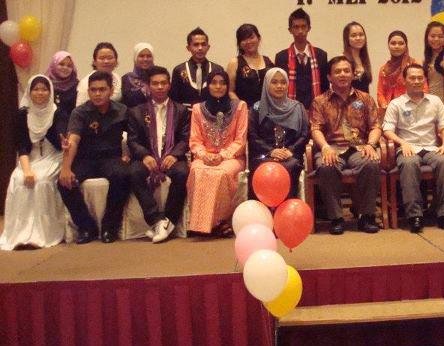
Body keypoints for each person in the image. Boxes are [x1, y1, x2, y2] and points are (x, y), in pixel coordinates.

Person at [310, 56, 382, 235]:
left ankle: (367, 216)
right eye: (337, 71)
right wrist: (325, 147)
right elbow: (316, 128)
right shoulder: (320, 101)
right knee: (326, 166)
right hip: (332, 147)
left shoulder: (365, 99)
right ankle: (336, 218)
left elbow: (375, 126)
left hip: (359, 147)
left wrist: (371, 144)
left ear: (353, 74)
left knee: (371, 163)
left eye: (346, 71)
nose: (342, 74)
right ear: (329, 76)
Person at [383, 63, 444, 233]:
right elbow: (387, 129)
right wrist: (402, 143)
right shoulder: (396, 104)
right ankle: (414, 216)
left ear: (424, 80)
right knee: (409, 164)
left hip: (432, 147)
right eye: (412, 78)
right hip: (408, 147)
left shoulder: (435, 101)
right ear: (404, 80)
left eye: (419, 78)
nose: (416, 81)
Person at [58, 71, 131, 243]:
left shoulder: (122, 110)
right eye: (93, 90)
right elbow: (73, 141)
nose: (97, 94)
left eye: (102, 89)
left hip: (111, 158)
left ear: (111, 91)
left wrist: (128, 154)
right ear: (88, 91)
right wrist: (66, 168)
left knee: (123, 176)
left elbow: (134, 136)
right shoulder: (79, 112)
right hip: (85, 158)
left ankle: (109, 228)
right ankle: (86, 228)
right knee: (64, 183)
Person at [0, 76, 66, 250]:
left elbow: (61, 139)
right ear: (29, 92)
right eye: (36, 89)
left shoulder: (58, 113)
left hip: (53, 157)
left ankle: (42, 234)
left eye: (44, 89)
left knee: (42, 181)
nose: (40, 93)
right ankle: (19, 234)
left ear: (50, 92)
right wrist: (27, 170)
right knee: (19, 180)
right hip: (30, 158)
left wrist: (63, 140)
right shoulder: (22, 115)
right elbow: (21, 146)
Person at [127, 66, 190, 243]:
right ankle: (156, 219)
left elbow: (185, 138)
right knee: (134, 172)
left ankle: (168, 220)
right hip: (147, 157)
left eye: (163, 83)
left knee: (182, 173)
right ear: (148, 86)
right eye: (155, 83)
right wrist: (145, 155)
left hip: (172, 156)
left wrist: (175, 155)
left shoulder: (181, 110)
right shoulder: (136, 111)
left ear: (169, 85)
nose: (160, 87)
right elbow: (132, 140)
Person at [187, 71, 247, 235]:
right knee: (197, 170)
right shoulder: (198, 109)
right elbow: (195, 140)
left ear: (227, 86)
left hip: (231, 157)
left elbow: (240, 140)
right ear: (208, 85)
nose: (218, 86)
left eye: (222, 83)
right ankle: (200, 223)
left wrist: (222, 155)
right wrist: (204, 155)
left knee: (221, 174)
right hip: (204, 155)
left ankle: (219, 222)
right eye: (214, 82)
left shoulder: (239, 107)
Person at [248, 68, 309, 199]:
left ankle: (286, 206)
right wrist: (271, 151)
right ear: (266, 84)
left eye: (283, 82)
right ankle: (263, 207)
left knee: (290, 165)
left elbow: (305, 134)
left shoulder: (297, 107)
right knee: (264, 168)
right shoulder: (257, 108)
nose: (279, 86)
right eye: (274, 82)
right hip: (264, 155)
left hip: (291, 156)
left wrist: (291, 150)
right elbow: (252, 136)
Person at [275, 8, 329, 109]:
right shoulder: (281, 57)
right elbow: (279, 88)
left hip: (316, 110)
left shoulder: (321, 55)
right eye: (296, 27)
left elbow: (325, 88)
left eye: (303, 26)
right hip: (289, 110)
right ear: (290, 30)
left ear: (309, 28)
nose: (300, 31)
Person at [170, 27, 224, 108]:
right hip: (186, 114)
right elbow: (174, 99)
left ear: (208, 47)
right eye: (196, 45)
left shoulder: (217, 69)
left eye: (203, 44)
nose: (200, 48)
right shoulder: (179, 70)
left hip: (210, 113)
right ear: (188, 48)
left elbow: (222, 96)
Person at [227, 23, 274, 108]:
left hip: (269, 111)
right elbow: (230, 91)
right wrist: (242, 108)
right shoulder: (234, 63)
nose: (248, 42)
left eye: (251, 37)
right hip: (244, 111)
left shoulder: (269, 61)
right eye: (244, 39)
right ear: (239, 44)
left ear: (259, 38)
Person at [377, 30, 418, 115]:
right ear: (388, 46)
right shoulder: (384, 69)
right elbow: (380, 93)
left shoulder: (414, 65)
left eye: (401, 43)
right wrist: (385, 106)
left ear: (406, 46)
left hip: (411, 110)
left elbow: (423, 89)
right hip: (389, 111)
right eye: (393, 43)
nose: (397, 46)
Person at [423, 21, 444, 113]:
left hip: (441, 105)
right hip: (427, 104)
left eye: (440, 36)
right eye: (433, 36)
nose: (436, 39)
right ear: (427, 37)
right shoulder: (427, 58)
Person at [45, 51, 78, 117]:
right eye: (61, 64)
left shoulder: (77, 85)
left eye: (69, 66)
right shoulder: (45, 83)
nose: (65, 68)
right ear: (54, 65)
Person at [121, 42, 155, 108]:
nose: (145, 59)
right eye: (141, 56)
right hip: (133, 114)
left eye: (149, 56)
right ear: (135, 58)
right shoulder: (127, 79)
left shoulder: (158, 78)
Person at [342, 21, 373, 93]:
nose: (358, 38)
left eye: (361, 35)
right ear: (347, 39)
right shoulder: (342, 60)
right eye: (353, 35)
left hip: (365, 99)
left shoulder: (363, 58)